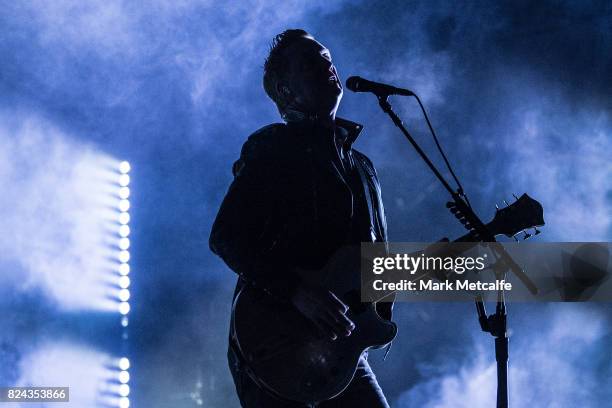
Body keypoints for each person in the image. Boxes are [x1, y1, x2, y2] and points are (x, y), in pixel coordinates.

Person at [209, 29, 391, 407]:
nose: (328, 64)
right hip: (275, 345)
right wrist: (297, 292)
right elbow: (226, 236)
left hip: (342, 349)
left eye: (327, 57)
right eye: (311, 62)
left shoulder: (362, 168)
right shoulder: (276, 148)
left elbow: (374, 266)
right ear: (286, 91)